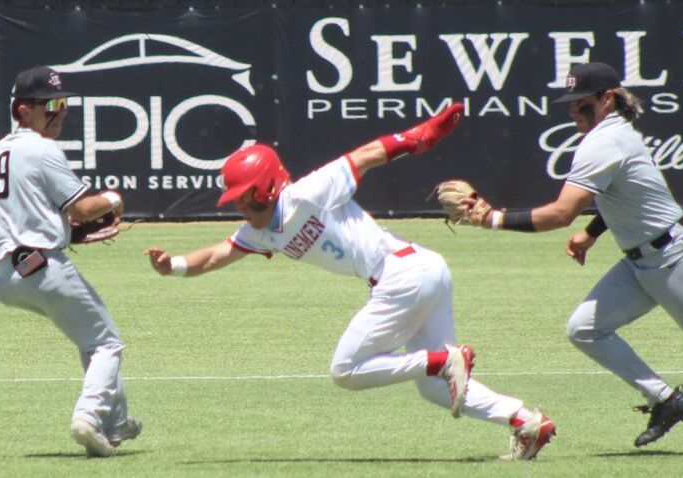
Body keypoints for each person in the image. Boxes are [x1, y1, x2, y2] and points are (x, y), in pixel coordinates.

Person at [450, 62, 683, 451]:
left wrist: (491, 218)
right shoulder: (610, 135)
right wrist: (592, 232)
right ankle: (665, 399)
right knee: (584, 328)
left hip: (679, 257)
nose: (572, 111)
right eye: (570, 104)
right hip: (640, 262)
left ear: (607, 99)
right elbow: (625, 194)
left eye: (581, 103)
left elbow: (560, 213)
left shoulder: (604, 141)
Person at [144, 103, 556, 460]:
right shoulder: (259, 230)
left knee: (345, 370)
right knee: (433, 390)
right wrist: (174, 265)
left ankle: (443, 359)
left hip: (402, 276)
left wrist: (422, 135)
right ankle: (526, 421)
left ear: (268, 188)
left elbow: (366, 155)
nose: (237, 203)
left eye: (244, 195)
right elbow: (217, 254)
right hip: (423, 272)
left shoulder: (306, 193)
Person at [0, 66, 141, 458]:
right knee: (106, 342)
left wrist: (62, 228)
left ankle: (115, 423)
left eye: (63, 102)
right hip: (41, 266)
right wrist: (114, 199)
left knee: (91, 337)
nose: (60, 111)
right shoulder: (43, 149)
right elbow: (84, 208)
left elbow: (32, 212)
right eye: (49, 104)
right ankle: (88, 416)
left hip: (9, 273)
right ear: (22, 111)